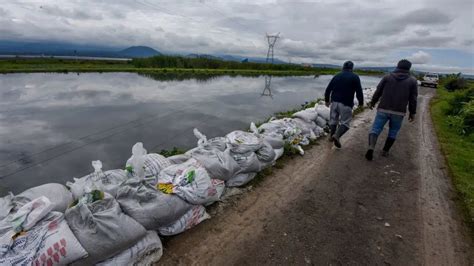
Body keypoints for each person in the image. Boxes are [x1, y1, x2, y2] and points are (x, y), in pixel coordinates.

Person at [365, 59, 418, 161]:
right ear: (409, 68)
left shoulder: (387, 77)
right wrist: (412, 113)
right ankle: (385, 151)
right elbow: (413, 98)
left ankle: (371, 147)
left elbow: (378, 91)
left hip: (383, 109)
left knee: (375, 129)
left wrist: (373, 102)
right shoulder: (412, 81)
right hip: (399, 111)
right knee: (393, 131)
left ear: (397, 66)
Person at [324, 61, 364, 148]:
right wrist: (361, 103)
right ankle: (336, 136)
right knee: (345, 123)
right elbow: (359, 92)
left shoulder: (337, 76)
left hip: (334, 103)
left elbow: (328, 89)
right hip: (346, 104)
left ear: (343, 67)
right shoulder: (355, 77)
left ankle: (331, 136)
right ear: (352, 68)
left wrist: (327, 100)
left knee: (333, 120)